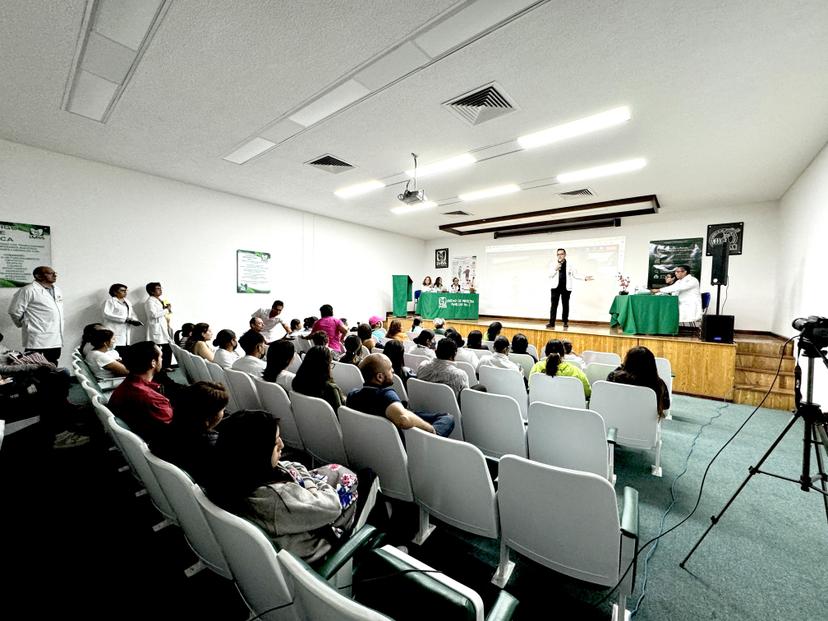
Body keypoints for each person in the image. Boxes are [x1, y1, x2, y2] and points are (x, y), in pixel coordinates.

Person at [206, 410, 359, 563]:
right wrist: (311, 487)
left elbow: (290, 465)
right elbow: (333, 507)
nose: (282, 445)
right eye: (275, 442)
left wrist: (304, 479)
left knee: (334, 472)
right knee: (353, 479)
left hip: (287, 528)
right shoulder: (278, 498)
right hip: (313, 545)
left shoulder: (233, 476)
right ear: (259, 454)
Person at [348, 354, 454, 437]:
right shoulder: (385, 395)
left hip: (374, 444)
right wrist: (431, 430)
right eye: (390, 369)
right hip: (403, 445)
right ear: (379, 377)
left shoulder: (352, 396)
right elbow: (403, 419)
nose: (393, 370)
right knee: (448, 418)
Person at [150, 381, 229, 483]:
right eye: (222, 410)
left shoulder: (161, 432)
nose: (223, 413)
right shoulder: (212, 447)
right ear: (210, 417)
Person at [108, 341, 174, 443]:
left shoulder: (128, 384)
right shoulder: (151, 398)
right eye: (161, 357)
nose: (162, 359)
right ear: (153, 362)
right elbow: (170, 429)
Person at [7, 266, 64, 364]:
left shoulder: (57, 290)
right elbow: (14, 311)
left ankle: (51, 380)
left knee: (53, 363)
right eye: (50, 273)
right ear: (38, 276)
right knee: (33, 364)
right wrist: (24, 323)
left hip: (55, 335)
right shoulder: (28, 290)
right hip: (37, 336)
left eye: (55, 273)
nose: (54, 275)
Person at [607, 346, 671, 418]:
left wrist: (621, 367)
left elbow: (607, 396)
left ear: (628, 362)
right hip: (645, 425)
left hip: (615, 418)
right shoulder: (659, 384)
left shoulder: (614, 377)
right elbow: (666, 405)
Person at [547, 248, 593, 329]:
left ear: (565, 255)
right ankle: (551, 323)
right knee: (553, 306)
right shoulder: (552, 264)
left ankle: (565, 322)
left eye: (561, 254)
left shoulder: (570, 264)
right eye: (558, 254)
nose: (560, 256)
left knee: (565, 305)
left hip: (566, 288)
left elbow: (575, 274)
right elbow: (549, 275)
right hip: (555, 288)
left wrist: (584, 278)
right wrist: (555, 268)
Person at [292, 345, 345, 412]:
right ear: (325, 366)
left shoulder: (296, 382)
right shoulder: (330, 389)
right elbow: (340, 413)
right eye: (330, 363)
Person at [102, 283, 141, 355]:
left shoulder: (127, 302)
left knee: (124, 352)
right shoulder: (109, 301)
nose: (125, 292)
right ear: (115, 292)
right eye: (123, 290)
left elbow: (132, 313)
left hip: (125, 332)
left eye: (126, 291)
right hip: (113, 330)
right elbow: (106, 314)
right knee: (114, 352)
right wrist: (125, 319)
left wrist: (135, 320)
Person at [144, 282, 173, 370]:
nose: (160, 290)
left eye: (160, 288)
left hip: (162, 326)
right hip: (156, 328)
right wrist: (166, 310)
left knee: (167, 347)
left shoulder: (160, 300)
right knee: (159, 348)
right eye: (158, 288)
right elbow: (153, 314)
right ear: (151, 291)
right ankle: (161, 367)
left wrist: (167, 309)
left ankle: (166, 366)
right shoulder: (150, 301)